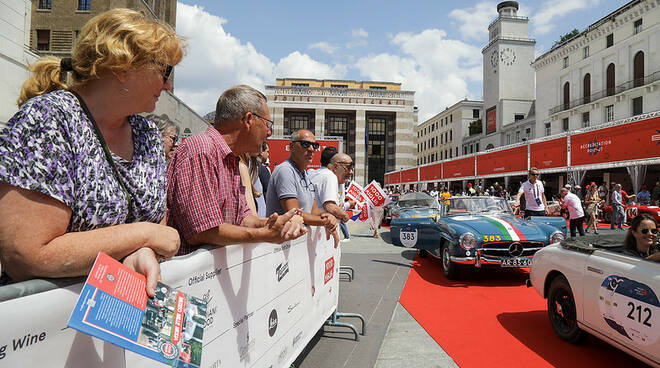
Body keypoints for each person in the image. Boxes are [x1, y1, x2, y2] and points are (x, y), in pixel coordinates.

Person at [0, 9, 184, 295]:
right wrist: (143, 234)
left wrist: (142, 251)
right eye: (165, 70)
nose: (169, 85)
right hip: (50, 326)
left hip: (122, 316)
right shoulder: (49, 119)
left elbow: (154, 231)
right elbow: (27, 256)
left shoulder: (147, 134)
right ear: (123, 64)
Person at [167, 85, 307, 256]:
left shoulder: (232, 159)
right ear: (248, 120)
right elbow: (202, 231)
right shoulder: (201, 150)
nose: (269, 133)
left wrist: (274, 224)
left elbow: (243, 218)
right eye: (267, 124)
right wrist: (265, 234)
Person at [266, 130, 339, 247]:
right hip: (280, 247)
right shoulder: (285, 170)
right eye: (305, 144)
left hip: (297, 245)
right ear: (291, 147)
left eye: (314, 145)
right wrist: (325, 222)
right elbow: (293, 212)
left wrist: (328, 216)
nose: (311, 149)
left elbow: (313, 210)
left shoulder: (305, 174)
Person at [310, 149, 354, 242]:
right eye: (348, 167)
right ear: (335, 166)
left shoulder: (315, 173)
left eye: (352, 168)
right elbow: (330, 207)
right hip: (319, 234)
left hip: (317, 231)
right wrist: (345, 215)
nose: (351, 172)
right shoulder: (329, 176)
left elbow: (337, 205)